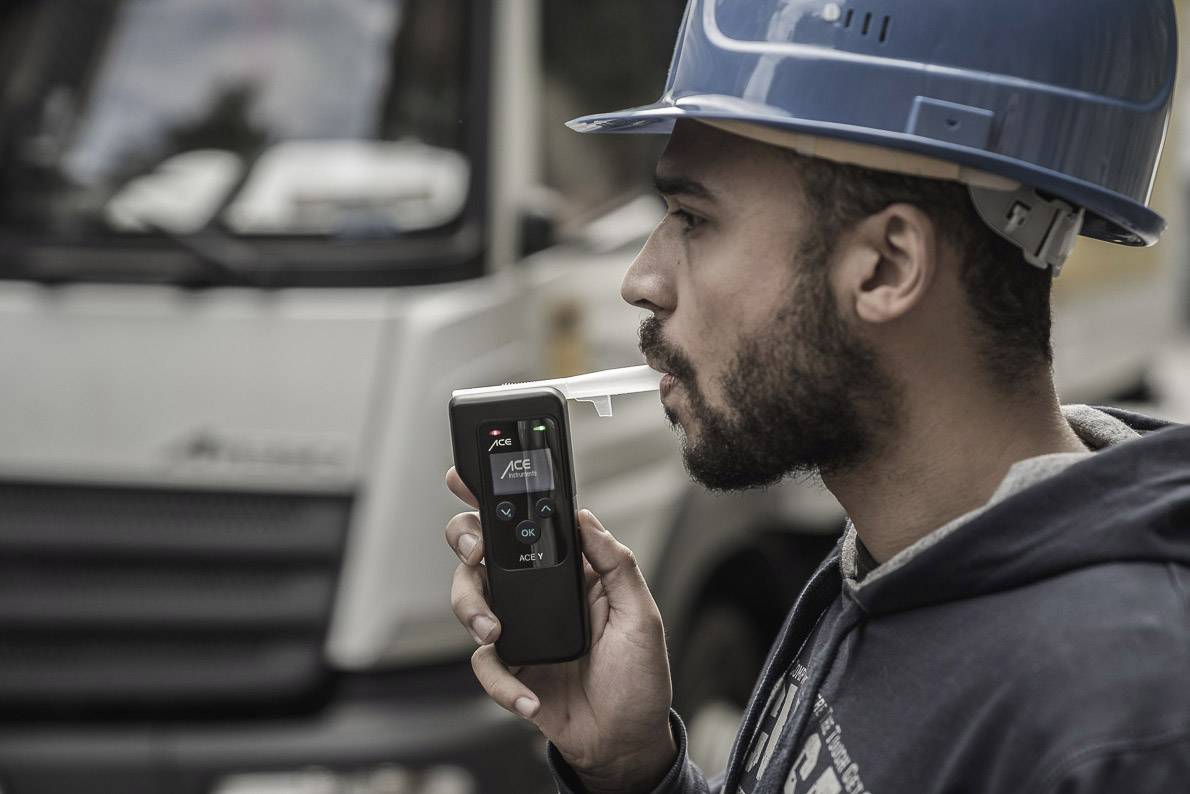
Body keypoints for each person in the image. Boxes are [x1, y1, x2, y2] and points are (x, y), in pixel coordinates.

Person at [445, 0, 1190, 791]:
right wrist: (633, 770)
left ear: (886, 268)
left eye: (693, 218)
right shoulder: (894, 565)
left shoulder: (1125, 726)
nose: (643, 281)